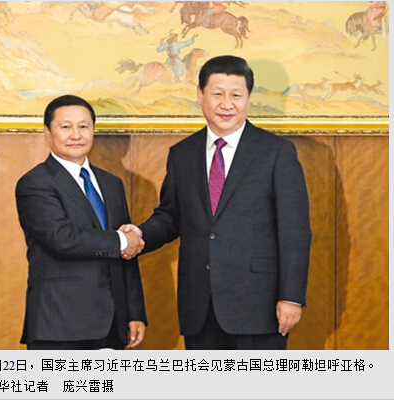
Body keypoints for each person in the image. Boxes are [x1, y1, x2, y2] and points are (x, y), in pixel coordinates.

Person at [121, 55, 311, 350]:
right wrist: (140, 234)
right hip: (200, 305)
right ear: (200, 95)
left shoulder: (276, 152)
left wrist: (291, 297)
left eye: (236, 95)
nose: (227, 104)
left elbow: (295, 232)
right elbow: (171, 217)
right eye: (217, 94)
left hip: (259, 305)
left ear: (249, 98)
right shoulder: (182, 154)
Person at [16, 95, 147, 350]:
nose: (76, 135)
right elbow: (61, 238)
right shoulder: (35, 183)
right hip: (60, 323)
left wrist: (134, 312)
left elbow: (126, 255)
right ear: (47, 133)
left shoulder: (112, 183)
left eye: (84, 126)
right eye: (66, 127)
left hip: (113, 323)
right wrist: (122, 239)